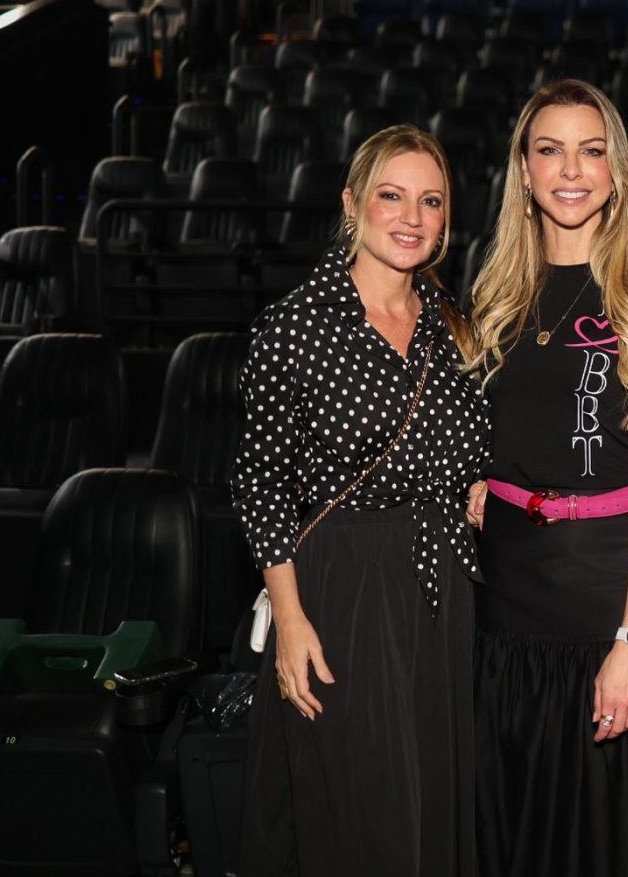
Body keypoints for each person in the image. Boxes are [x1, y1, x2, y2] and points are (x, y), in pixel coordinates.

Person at [232, 124, 486, 877]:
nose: (411, 216)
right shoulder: (295, 327)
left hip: (446, 588)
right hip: (343, 591)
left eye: (430, 201)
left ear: (446, 219)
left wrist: (477, 480)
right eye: (392, 195)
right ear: (352, 204)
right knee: (361, 805)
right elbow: (259, 484)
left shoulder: (456, 324)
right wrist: (291, 622)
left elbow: (475, 445)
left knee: (436, 793)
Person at [463, 79, 628, 876]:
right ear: (523, 172)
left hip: (603, 607)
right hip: (501, 606)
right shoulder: (491, 297)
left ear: (616, 172)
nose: (572, 170)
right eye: (550, 150)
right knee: (513, 835)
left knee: (603, 843)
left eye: (591, 151)